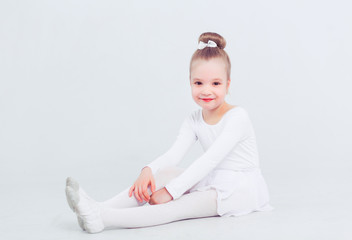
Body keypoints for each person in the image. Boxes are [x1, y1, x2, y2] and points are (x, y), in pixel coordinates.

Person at [65, 32, 274, 234]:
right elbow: (174, 155)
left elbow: (209, 160)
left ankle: (103, 218)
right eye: (198, 83)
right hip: (214, 178)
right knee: (162, 174)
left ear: (227, 85)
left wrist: (171, 192)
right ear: (190, 82)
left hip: (240, 189)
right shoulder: (194, 119)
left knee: (177, 205)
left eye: (216, 83)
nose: (206, 90)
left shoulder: (237, 117)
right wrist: (148, 169)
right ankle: (99, 207)